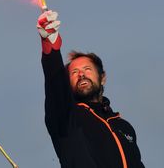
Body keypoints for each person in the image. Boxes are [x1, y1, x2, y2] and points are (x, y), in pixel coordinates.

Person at [37, 10, 145, 168]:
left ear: (103, 77)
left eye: (87, 69)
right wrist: (50, 47)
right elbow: (56, 90)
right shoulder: (68, 117)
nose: (81, 74)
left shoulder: (124, 127)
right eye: (74, 72)